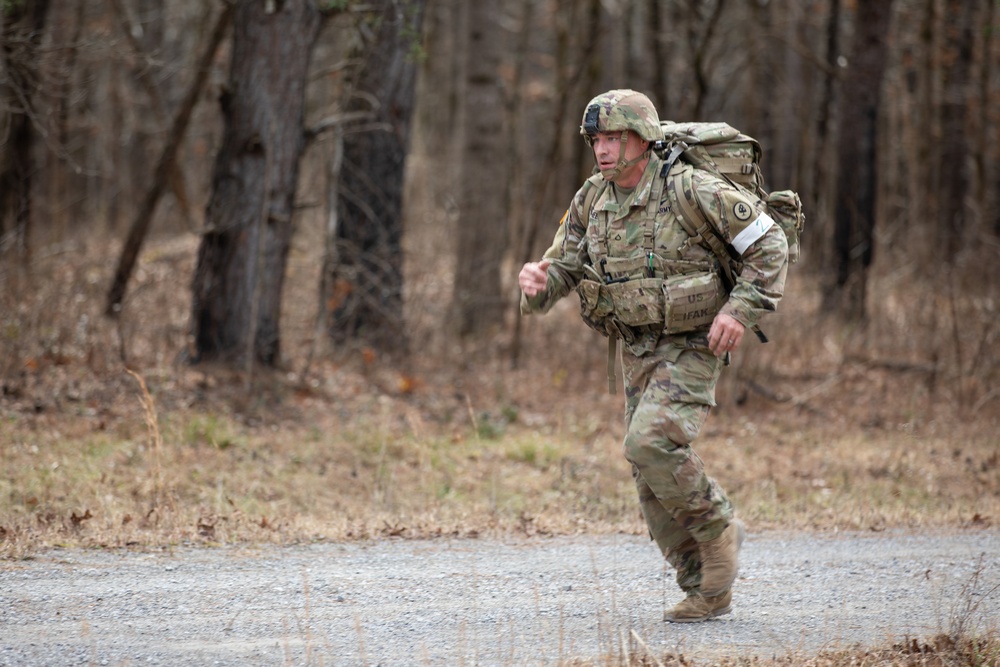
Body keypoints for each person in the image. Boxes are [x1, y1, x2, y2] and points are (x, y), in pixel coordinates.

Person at [518, 90, 788, 623]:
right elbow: (565, 264)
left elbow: (770, 244)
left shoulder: (692, 189)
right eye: (596, 139)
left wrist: (739, 311)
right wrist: (539, 284)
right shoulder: (591, 198)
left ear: (643, 139)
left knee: (649, 442)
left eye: (614, 138)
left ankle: (718, 528)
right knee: (647, 468)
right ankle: (703, 588)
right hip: (636, 346)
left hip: (694, 341)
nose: (603, 149)